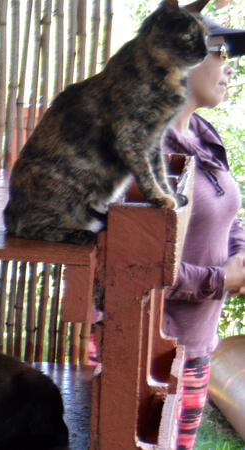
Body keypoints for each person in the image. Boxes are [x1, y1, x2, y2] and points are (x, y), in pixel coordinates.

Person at [162, 16, 245, 450]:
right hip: (151, 354)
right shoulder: (145, 150)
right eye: (222, 53)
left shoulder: (201, 132)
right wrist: (221, 280)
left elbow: (231, 213)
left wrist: (241, 262)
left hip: (197, 345)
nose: (230, 67)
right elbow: (126, 269)